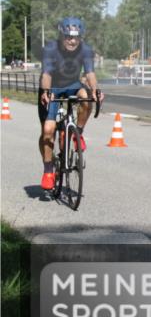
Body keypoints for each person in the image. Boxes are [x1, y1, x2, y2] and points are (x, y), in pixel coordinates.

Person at [37, 17, 105, 191]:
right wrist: (45, 92)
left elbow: (89, 74)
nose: (72, 41)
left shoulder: (86, 50)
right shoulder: (51, 48)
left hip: (72, 85)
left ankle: (77, 133)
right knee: (47, 132)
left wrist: (96, 91)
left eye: (76, 37)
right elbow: (46, 74)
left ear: (80, 37)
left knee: (86, 96)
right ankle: (48, 171)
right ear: (61, 36)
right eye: (68, 37)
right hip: (51, 87)